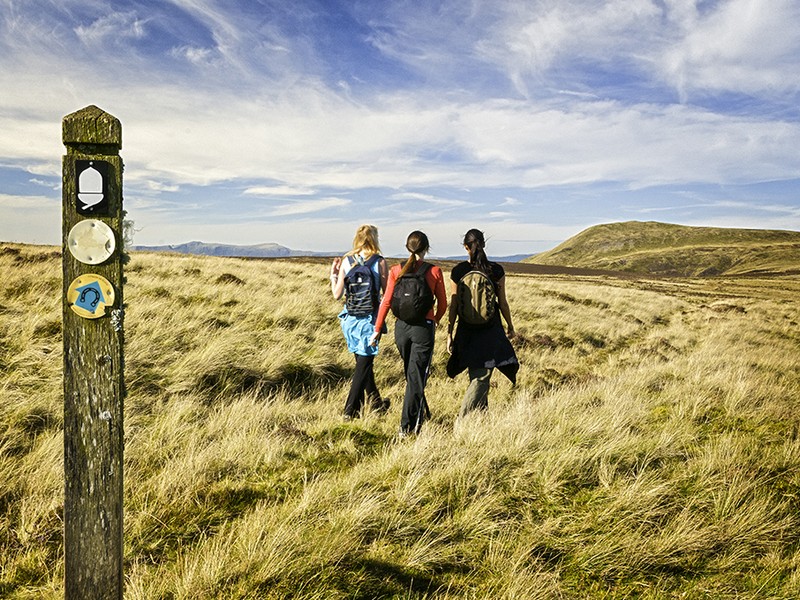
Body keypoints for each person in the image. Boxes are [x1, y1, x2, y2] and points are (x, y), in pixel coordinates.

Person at [370, 231, 447, 437]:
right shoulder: (435, 271)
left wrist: (377, 330)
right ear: (427, 248)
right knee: (417, 377)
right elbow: (443, 303)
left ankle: (418, 413)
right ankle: (408, 427)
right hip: (423, 328)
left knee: (412, 375)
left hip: (401, 329)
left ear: (407, 247)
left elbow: (386, 301)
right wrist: (435, 319)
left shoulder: (396, 270)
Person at [447, 228, 518, 418]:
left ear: (466, 247)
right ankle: (464, 418)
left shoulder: (458, 271)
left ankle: (480, 418)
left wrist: (449, 333)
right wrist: (510, 326)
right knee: (482, 376)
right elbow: (502, 303)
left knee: (476, 372)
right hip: (490, 329)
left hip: (466, 329)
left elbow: (453, 305)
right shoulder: (496, 270)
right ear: (484, 244)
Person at [330, 224, 390, 420]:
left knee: (363, 362)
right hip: (370, 321)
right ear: (374, 238)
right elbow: (386, 293)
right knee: (363, 365)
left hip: (350, 319)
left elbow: (337, 294)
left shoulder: (347, 261)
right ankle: (350, 411)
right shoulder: (379, 262)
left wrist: (334, 274)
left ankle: (377, 404)